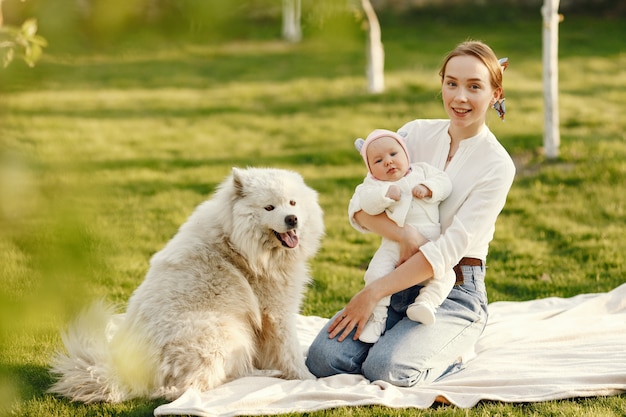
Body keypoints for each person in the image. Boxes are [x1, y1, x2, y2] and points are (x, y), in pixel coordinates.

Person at [305, 40, 515, 387]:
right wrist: (405, 235)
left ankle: (455, 350)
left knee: (386, 369)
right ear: (442, 84)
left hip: (454, 288)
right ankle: (402, 337)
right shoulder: (414, 133)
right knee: (324, 359)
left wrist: (370, 293)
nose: (460, 97)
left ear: (495, 94)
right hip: (398, 282)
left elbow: (446, 252)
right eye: (452, 83)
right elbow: (359, 208)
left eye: (474, 87)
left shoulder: (497, 165)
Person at [352, 128, 455, 344]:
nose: (388, 162)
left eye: (393, 154)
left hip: (430, 241)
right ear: (370, 168)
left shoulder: (423, 171)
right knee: (375, 274)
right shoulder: (375, 185)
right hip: (393, 245)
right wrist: (385, 195)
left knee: (447, 274)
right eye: (378, 160)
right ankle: (377, 318)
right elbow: (365, 204)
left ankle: (426, 303)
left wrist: (429, 189)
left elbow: (445, 183)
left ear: (406, 154)